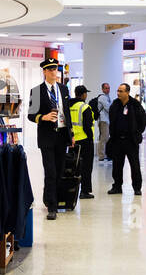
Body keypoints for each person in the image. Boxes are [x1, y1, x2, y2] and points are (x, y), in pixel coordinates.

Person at [27, 58, 72, 220]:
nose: (55, 72)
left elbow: (67, 113)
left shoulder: (64, 89)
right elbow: (31, 115)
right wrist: (43, 117)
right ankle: (52, 206)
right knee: (50, 171)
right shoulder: (37, 91)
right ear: (45, 72)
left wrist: (71, 135)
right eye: (51, 70)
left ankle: (48, 197)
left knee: (59, 171)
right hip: (47, 137)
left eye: (56, 69)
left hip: (62, 135)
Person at [106, 83, 146, 195]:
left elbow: (143, 120)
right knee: (117, 165)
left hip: (131, 140)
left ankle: (137, 188)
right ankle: (117, 186)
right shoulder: (115, 105)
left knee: (135, 165)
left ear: (127, 92)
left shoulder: (135, 105)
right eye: (118, 91)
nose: (118, 93)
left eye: (121, 91)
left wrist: (137, 132)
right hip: (117, 140)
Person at [68, 85, 95, 199]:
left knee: (73, 167)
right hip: (85, 141)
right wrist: (90, 137)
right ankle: (84, 191)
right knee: (86, 167)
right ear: (83, 94)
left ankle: (71, 190)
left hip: (73, 141)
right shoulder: (84, 107)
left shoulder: (68, 106)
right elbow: (87, 126)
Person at [94, 82, 113, 162]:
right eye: (106, 88)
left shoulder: (107, 97)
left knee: (105, 137)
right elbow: (108, 108)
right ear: (102, 89)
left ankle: (104, 154)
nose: (108, 89)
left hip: (106, 120)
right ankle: (101, 156)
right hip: (103, 120)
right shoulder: (102, 98)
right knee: (104, 138)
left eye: (108, 88)